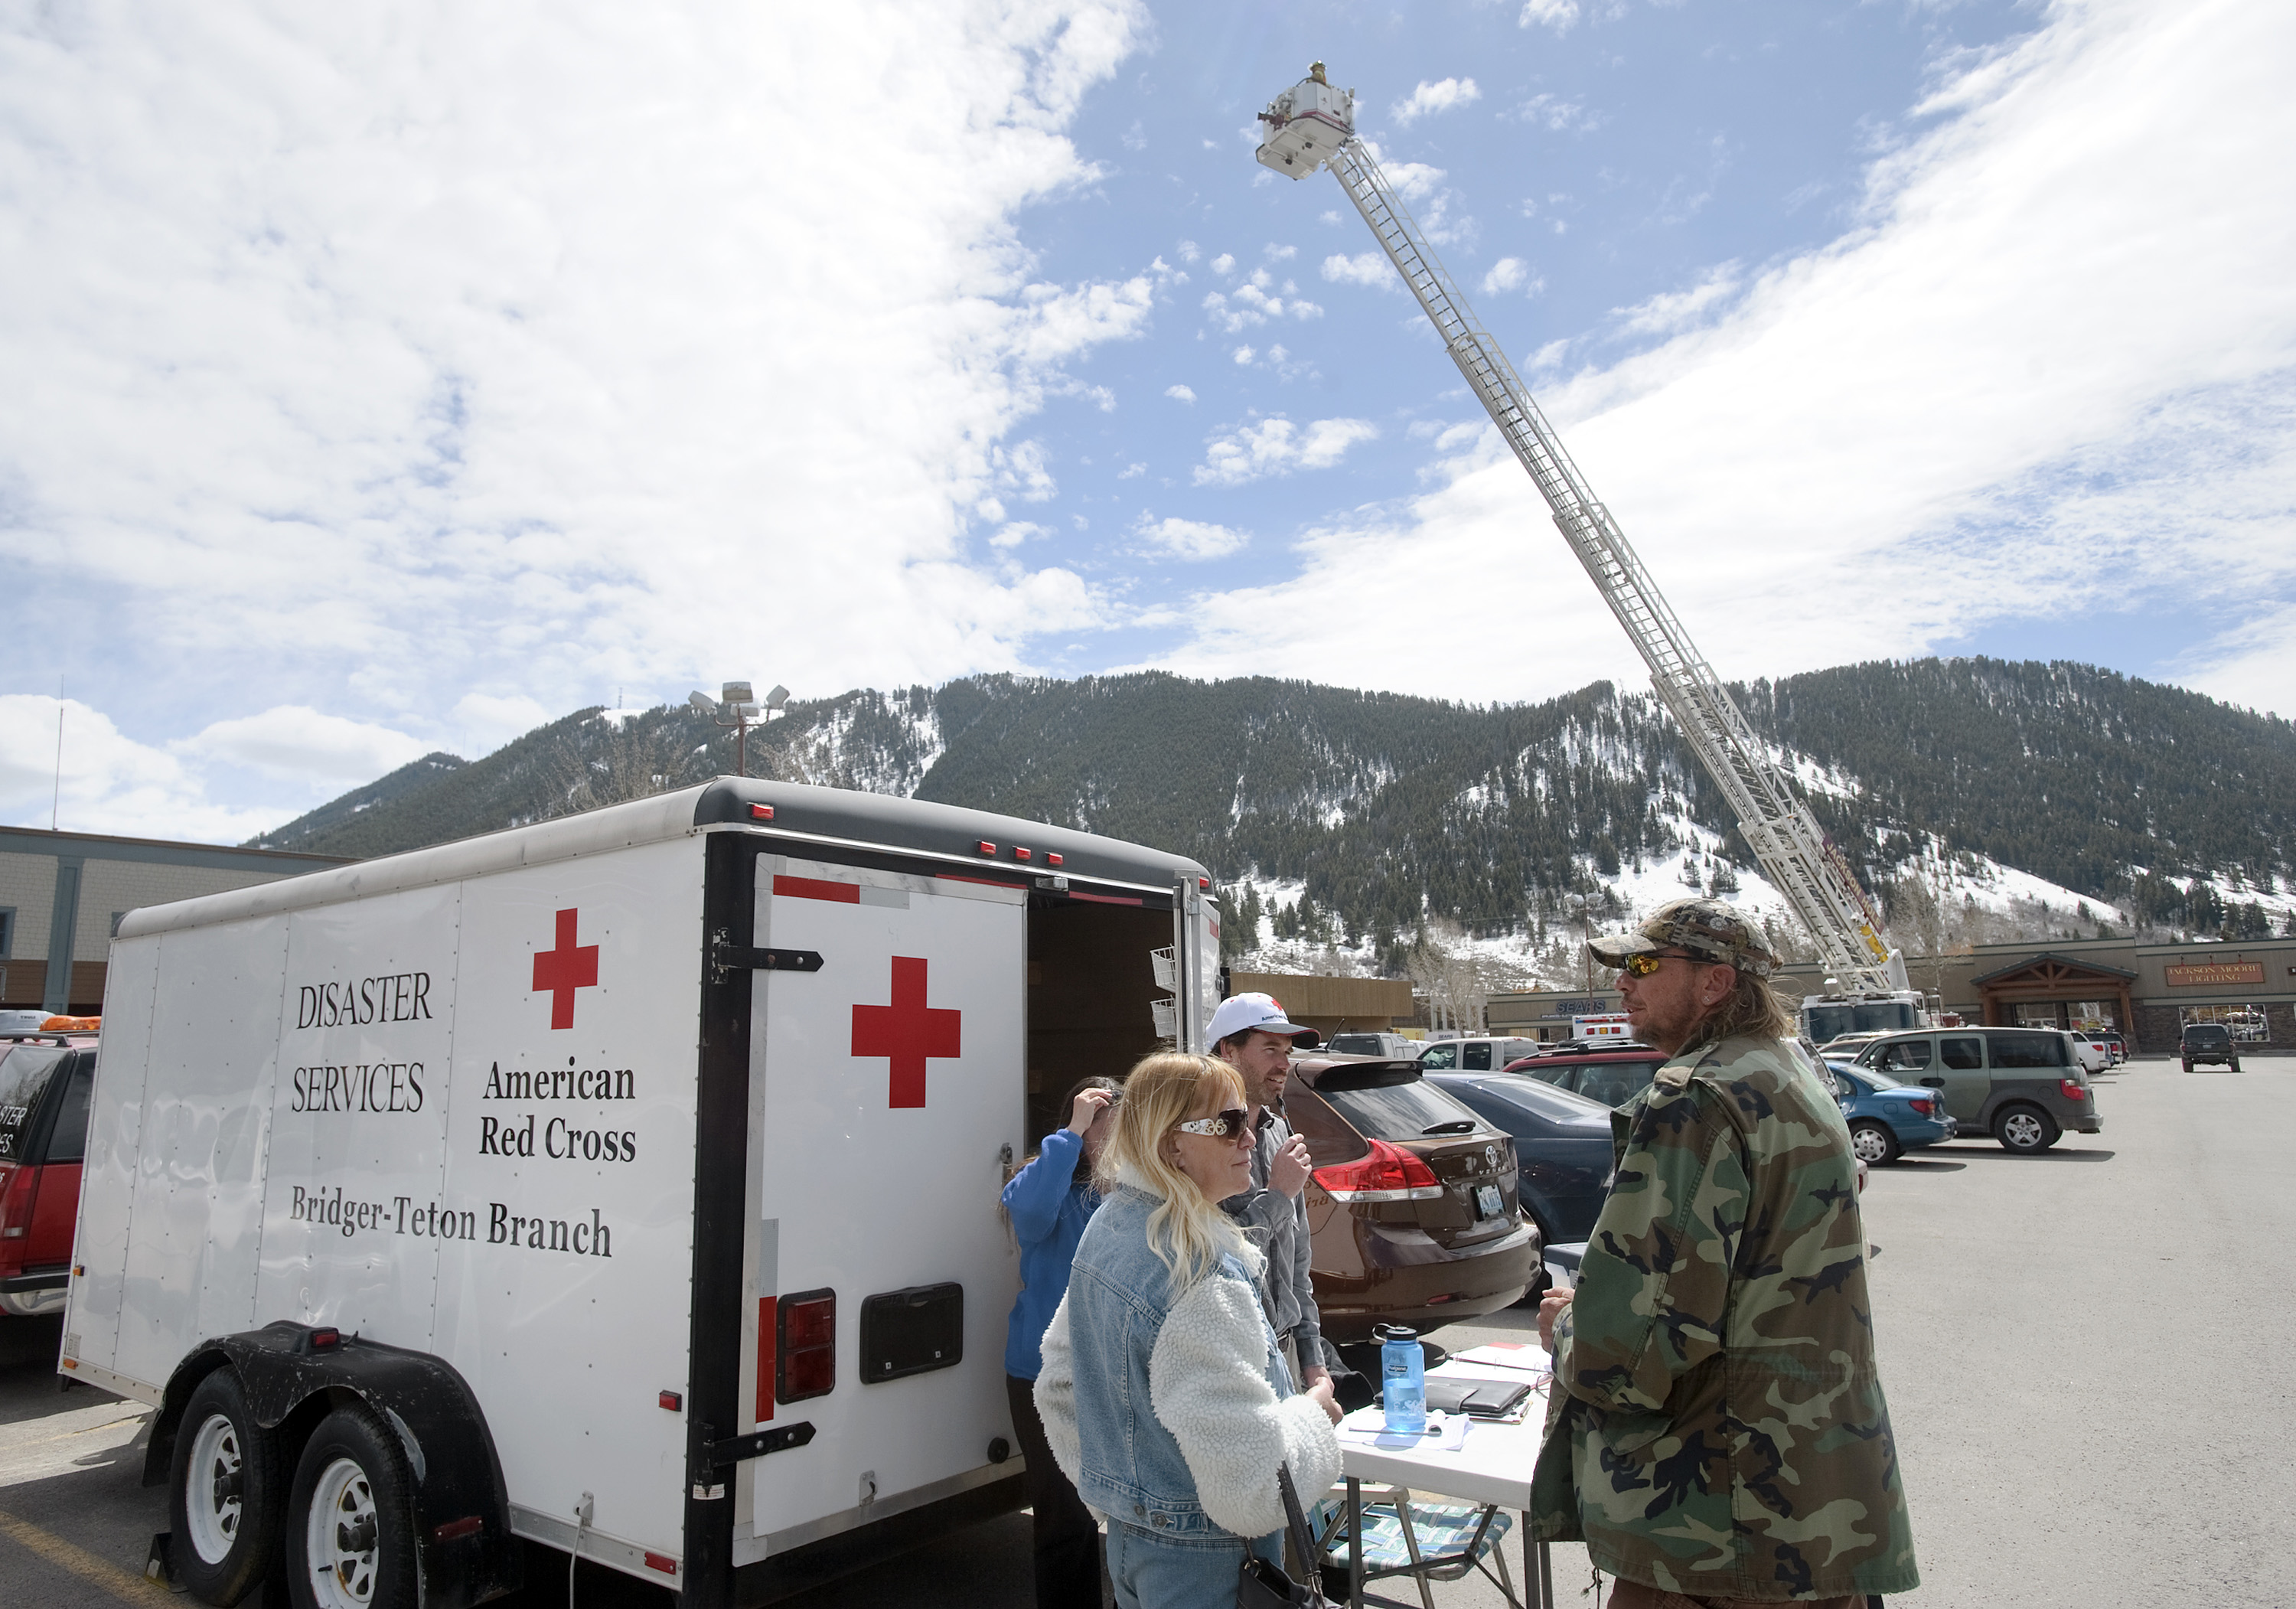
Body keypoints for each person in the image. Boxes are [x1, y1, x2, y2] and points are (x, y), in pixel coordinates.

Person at [1530, 898, 1919, 1608]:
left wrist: (1564, 1328)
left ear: (1714, 984)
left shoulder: (1696, 1095)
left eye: (1644, 965)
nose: (1624, 982)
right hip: (1811, 1494)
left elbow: (1634, 1343)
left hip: (1714, 1518)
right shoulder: (1788, 1073)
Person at [1035, 1052, 1343, 1609]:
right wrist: (1314, 1415)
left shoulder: (1112, 1221)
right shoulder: (1199, 1274)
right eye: (1228, 1125)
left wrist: (1123, 1499)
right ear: (1172, 1143)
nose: (1249, 1138)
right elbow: (1251, 1489)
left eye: (1246, 1120)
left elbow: (1057, 1383)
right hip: (1212, 1565)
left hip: (1134, 1550)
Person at [1003, 1076, 1120, 1608]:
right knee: (1065, 1519)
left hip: (1115, 1371)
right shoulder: (1048, 1181)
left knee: (1125, 1511)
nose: (1109, 1126)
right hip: (1043, 1373)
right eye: (1098, 1115)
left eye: (1115, 1114)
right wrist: (1071, 1132)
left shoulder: (1134, 1192)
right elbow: (1026, 1217)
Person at [1205, 993, 1333, 1395]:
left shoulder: (1279, 1131)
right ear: (1229, 1050)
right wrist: (1277, 1193)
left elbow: (1297, 1260)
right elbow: (1211, 1258)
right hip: (1226, 1359)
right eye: (1271, 1049)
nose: (1284, 1064)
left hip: (1283, 1350)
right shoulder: (1199, 1138)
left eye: (1288, 1051)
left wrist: (1313, 1359)